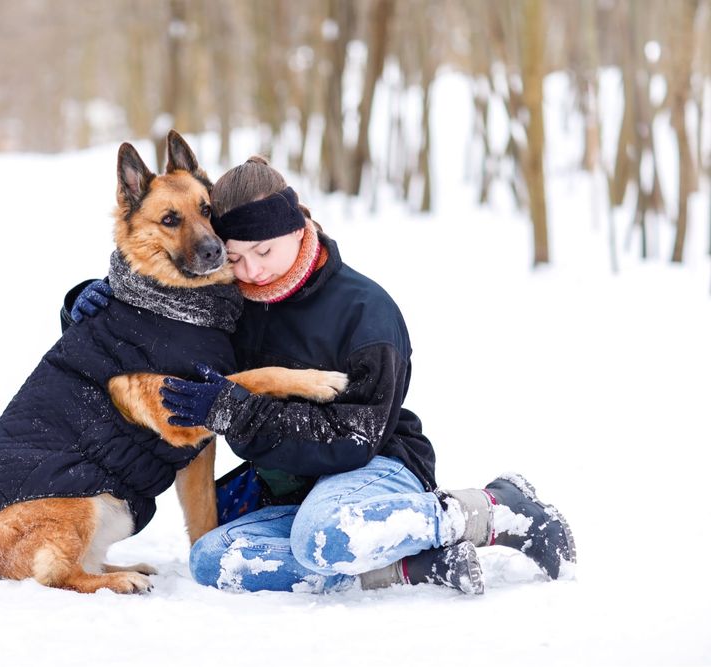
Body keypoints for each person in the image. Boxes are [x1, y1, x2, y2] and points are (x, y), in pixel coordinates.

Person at [68, 156, 575, 595]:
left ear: (298, 226)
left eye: (264, 251)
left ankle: (491, 510)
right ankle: (405, 566)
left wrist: (238, 411)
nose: (252, 271)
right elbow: (157, 339)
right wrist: (90, 303)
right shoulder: (235, 304)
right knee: (212, 560)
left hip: (374, 464)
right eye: (236, 256)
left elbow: (354, 439)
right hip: (292, 484)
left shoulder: (365, 312)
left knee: (320, 536)